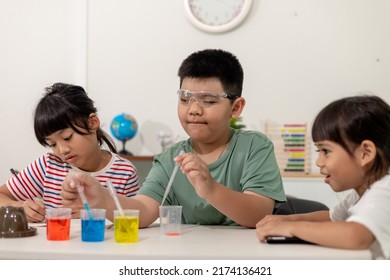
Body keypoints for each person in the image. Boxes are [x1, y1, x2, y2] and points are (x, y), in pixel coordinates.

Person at [61, 49, 286, 228]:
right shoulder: (171, 159)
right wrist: (101, 197)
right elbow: (144, 211)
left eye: (208, 100)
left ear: (235, 107)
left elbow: (259, 213)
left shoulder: (254, 147)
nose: (194, 109)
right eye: (185, 98)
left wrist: (210, 188)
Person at [256, 95, 390, 259]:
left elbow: (356, 235)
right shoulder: (360, 192)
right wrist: (287, 219)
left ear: (365, 153)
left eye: (326, 151)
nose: (319, 162)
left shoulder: (385, 189)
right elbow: (330, 217)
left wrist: (292, 228)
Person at [0, 83, 139, 222]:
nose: (62, 150)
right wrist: (18, 206)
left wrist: (97, 213)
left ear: (92, 122)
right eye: (52, 144)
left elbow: (135, 221)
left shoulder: (124, 172)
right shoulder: (48, 166)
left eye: (67, 137)